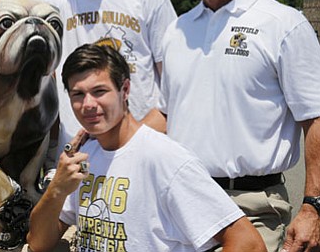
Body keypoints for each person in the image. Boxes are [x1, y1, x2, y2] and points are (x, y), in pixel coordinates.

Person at [146, 0, 320, 252]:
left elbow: (314, 118)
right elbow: (166, 115)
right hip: (181, 205)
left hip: (253, 207)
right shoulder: (176, 32)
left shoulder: (282, 24)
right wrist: (103, 145)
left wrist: (314, 206)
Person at [26, 43, 266, 252]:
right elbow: (38, 243)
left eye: (99, 91)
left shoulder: (164, 158)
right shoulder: (84, 156)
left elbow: (248, 243)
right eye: (78, 94)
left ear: (125, 90)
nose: (88, 104)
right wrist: (56, 189)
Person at [37, 0, 177, 154]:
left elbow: (174, 83)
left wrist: (137, 141)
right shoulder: (51, 5)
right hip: (80, 151)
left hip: (143, 144)